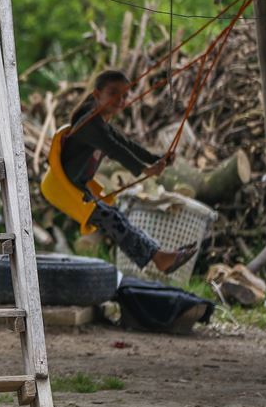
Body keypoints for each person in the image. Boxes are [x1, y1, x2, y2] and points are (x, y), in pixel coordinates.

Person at [59, 70, 197, 274]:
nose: (120, 100)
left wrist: (155, 158)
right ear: (97, 95)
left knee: (116, 216)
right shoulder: (90, 124)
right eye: (113, 93)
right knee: (111, 219)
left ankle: (160, 256)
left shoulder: (101, 121)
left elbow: (126, 144)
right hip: (66, 189)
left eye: (124, 95)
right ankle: (159, 258)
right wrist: (145, 169)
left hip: (78, 187)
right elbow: (115, 149)